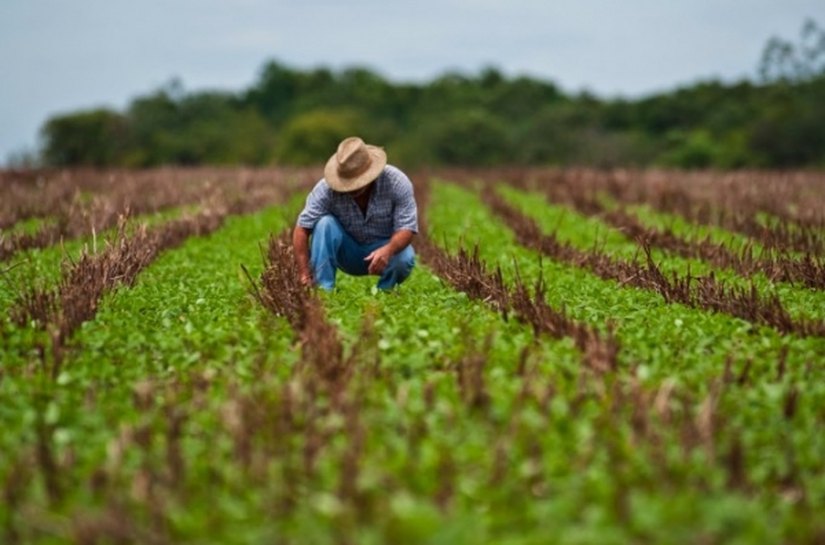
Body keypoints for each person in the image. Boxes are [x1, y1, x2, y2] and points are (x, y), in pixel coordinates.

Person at [293, 136, 418, 291]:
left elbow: (407, 228)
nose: (352, 188)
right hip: (348, 252)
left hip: (384, 248)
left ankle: (385, 292)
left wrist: (388, 250)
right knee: (325, 224)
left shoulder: (396, 182)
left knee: (404, 257)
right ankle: (323, 290)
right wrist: (304, 274)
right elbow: (301, 229)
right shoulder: (325, 189)